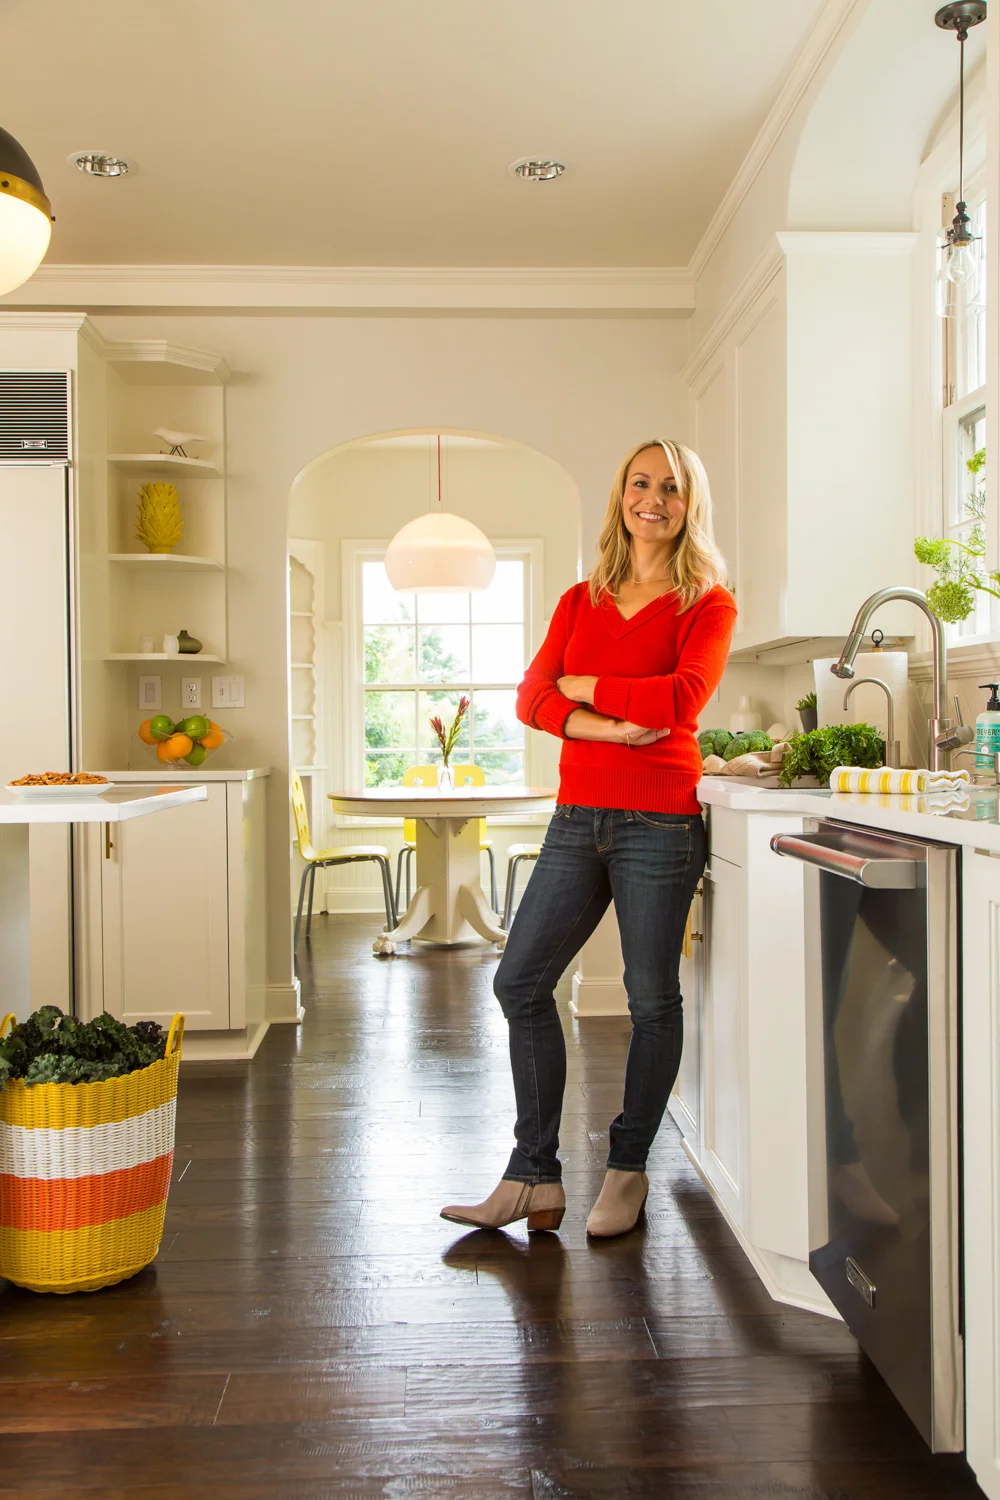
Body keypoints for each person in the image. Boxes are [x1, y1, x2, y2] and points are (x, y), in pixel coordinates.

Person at [441, 439, 736, 1239]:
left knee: (650, 999)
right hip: (579, 817)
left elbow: (679, 700)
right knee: (519, 984)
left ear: (689, 503)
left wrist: (583, 686)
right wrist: (605, 720)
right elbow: (530, 696)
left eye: (671, 487)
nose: (654, 499)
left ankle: (628, 1167)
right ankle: (533, 1176)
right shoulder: (580, 599)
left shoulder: (708, 603)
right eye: (640, 483)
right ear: (621, 495)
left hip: (661, 821)